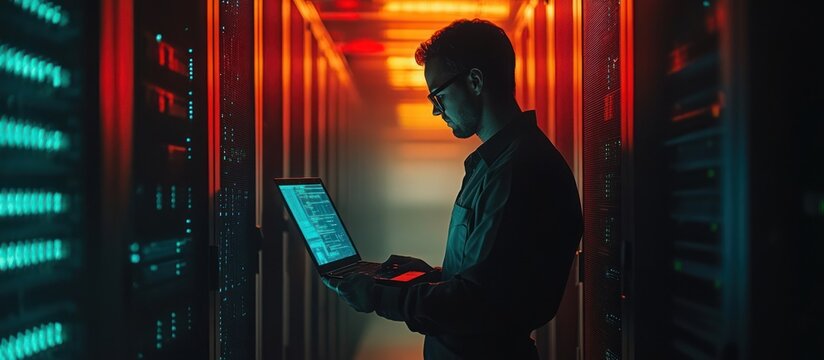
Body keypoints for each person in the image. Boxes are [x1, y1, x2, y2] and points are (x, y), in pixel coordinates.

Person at [323, 19, 583, 359]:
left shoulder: (519, 172)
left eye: (439, 94)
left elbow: (476, 303)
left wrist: (378, 296)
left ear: (475, 81)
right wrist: (426, 276)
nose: (435, 109)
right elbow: (492, 276)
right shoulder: (494, 165)